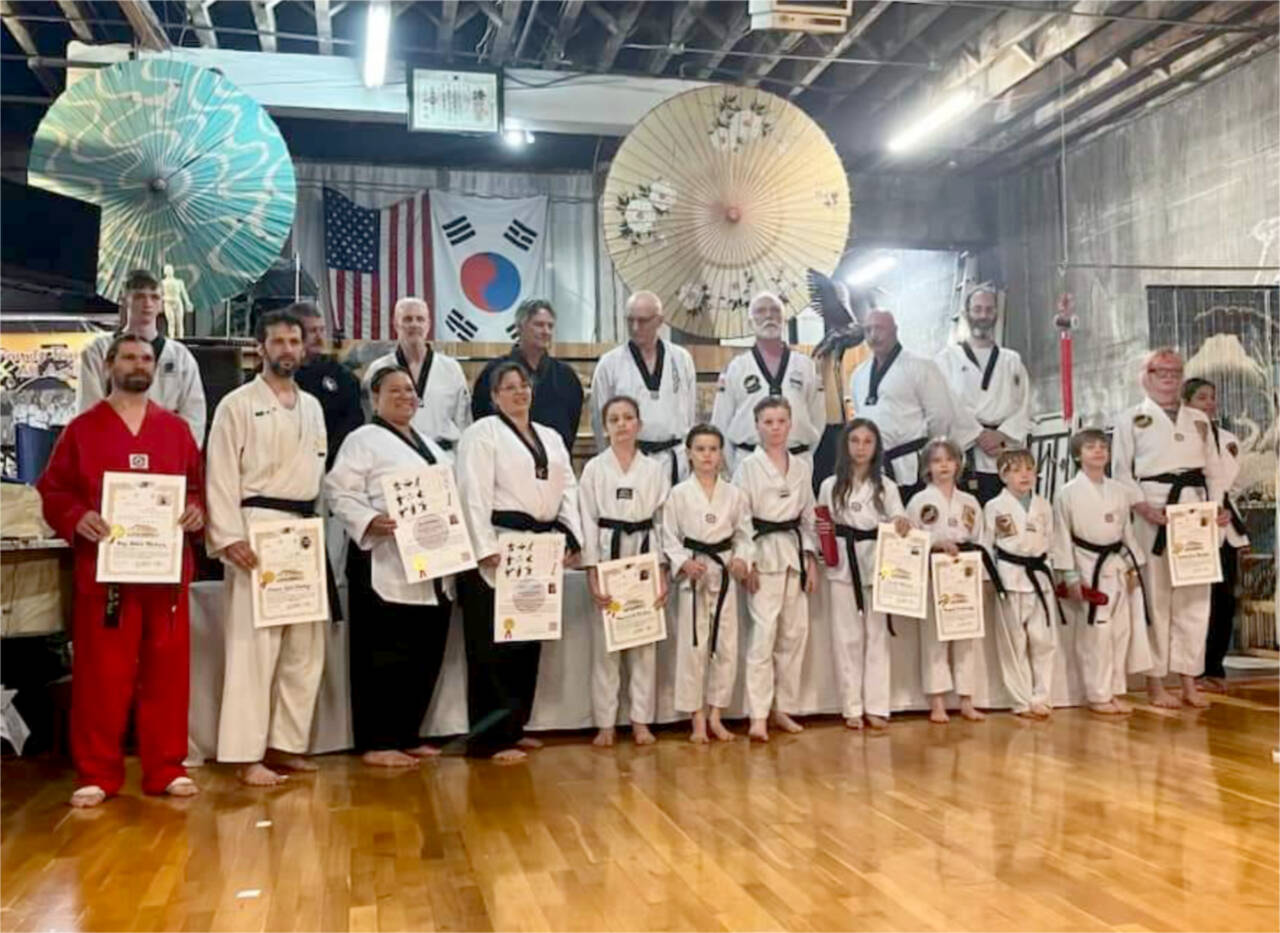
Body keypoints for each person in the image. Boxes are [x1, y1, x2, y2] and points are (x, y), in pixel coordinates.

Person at [37, 334, 205, 807]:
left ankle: (166, 767)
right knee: (101, 674)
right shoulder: (82, 429)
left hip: (165, 570)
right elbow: (53, 491)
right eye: (129, 357)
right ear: (110, 365)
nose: (139, 364)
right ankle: (96, 771)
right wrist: (76, 518)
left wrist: (195, 510)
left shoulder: (175, 430)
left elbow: (196, 487)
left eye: (147, 358)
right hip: (106, 571)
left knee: (168, 674)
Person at [205, 310, 329, 785]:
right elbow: (219, 471)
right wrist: (228, 536)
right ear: (260, 348)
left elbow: (316, 477)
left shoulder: (313, 407)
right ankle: (243, 753)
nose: (286, 349)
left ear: (303, 348)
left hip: (300, 531)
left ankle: (286, 744)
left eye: (293, 341)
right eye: (276, 341)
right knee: (254, 647)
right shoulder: (237, 404)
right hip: (255, 527)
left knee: (304, 646)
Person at [325, 367, 454, 767]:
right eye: (394, 390)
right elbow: (337, 489)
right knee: (382, 653)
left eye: (410, 390)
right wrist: (369, 521)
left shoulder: (433, 446)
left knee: (423, 650)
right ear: (374, 396)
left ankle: (407, 732)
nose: (405, 396)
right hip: (383, 556)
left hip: (431, 560)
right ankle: (378, 741)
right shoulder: (362, 440)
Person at [456, 362, 582, 762]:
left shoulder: (551, 437)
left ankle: (514, 726)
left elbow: (569, 489)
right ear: (493, 397)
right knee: (493, 646)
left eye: (523, 385)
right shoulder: (482, 434)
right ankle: (488, 739)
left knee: (527, 640)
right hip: (501, 543)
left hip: (541, 546)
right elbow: (471, 491)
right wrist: (482, 544)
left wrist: (571, 536)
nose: (518, 392)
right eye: (508, 387)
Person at [1111, 348, 1228, 709]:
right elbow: (1121, 472)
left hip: (1195, 506)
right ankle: (1156, 683)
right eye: (1161, 372)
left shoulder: (1198, 420)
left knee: (1195, 598)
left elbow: (1214, 469)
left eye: (1176, 372)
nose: (1169, 378)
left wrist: (1217, 506)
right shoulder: (1131, 419)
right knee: (1157, 598)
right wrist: (1141, 505)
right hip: (1155, 508)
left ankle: (1190, 681)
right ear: (1145, 376)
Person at [579, 395, 669, 747]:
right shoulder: (595, 469)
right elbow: (586, 519)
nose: (621, 424)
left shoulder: (654, 469)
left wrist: (662, 568)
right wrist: (591, 569)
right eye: (614, 419)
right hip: (608, 556)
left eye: (628, 417)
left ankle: (641, 721)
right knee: (606, 646)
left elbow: (664, 521)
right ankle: (605, 723)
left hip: (644, 555)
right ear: (605, 427)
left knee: (644, 641)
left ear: (639, 425)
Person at [816, 418, 910, 731]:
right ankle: (851, 707)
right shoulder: (830, 485)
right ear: (845, 446)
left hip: (879, 564)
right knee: (847, 639)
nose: (860, 448)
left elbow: (900, 521)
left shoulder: (887, 487)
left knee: (877, 637)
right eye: (854, 441)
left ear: (876, 447)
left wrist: (901, 524)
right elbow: (822, 527)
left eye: (867, 441)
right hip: (843, 565)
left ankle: (877, 706)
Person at [660, 424, 753, 743]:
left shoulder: (734, 494)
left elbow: (744, 535)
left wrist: (742, 559)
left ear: (721, 454)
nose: (707, 455)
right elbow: (668, 537)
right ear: (689, 454)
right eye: (700, 449)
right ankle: (695, 717)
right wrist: (683, 562)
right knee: (693, 647)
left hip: (724, 573)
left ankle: (716, 714)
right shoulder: (678, 494)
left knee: (726, 646)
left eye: (713, 449)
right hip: (694, 576)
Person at [733, 397, 818, 742]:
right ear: (757, 426)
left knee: (793, 634)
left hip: (794, 552)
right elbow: (739, 519)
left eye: (781, 421)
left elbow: (809, 516)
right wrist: (746, 559)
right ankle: (757, 714)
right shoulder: (747, 468)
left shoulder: (801, 467)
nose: (775, 428)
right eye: (768, 422)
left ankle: (783, 706)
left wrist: (811, 558)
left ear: (790, 423)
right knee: (764, 635)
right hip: (763, 552)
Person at [1052, 429, 1150, 715]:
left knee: (1121, 631)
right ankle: (1097, 694)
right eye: (1090, 447)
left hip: (1117, 563)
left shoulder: (1119, 491)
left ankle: (1115, 690)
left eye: (1103, 447)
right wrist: (1069, 575)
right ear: (1077, 455)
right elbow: (1061, 536)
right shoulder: (1067, 493)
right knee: (1096, 633)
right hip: (1086, 564)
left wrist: (1134, 567)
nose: (1098, 451)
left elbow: (1127, 532)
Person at [848, 310, 976, 503]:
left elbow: (941, 416)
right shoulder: (859, 374)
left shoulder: (921, 366)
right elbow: (860, 420)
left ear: (895, 330)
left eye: (880, 328)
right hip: (875, 468)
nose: (873, 335)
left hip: (910, 466)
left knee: (915, 526)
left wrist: (929, 456)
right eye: (868, 330)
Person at [907, 437, 992, 724]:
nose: (943, 465)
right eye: (936, 460)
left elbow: (982, 539)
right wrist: (935, 542)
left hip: (965, 570)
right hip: (935, 571)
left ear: (958, 464)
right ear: (927, 468)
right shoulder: (919, 501)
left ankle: (967, 699)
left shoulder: (969, 502)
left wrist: (981, 575)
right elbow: (910, 539)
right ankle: (938, 702)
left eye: (948, 459)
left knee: (966, 636)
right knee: (935, 638)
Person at [77, 269, 207, 446]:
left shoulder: (180, 356)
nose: (147, 304)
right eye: (139, 297)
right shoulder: (97, 351)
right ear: (124, 300)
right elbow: (89, 412)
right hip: (113, 449)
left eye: (154, 297)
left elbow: (194, 417)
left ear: (162, 304)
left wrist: (179, 456)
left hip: (167, 453)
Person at [1181, 377, 1250, 692]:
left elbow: (1231, 487)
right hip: (1192, 524)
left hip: (1225, 527)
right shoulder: (1178, 440)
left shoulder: (1228, 439)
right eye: (1201, 398)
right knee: (1196, 602)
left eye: (1212, 397)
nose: (1209, 403)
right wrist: (1206, 510)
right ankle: (1189, 670)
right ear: (1186, 403)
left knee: (1224, 600)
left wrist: (1229, 518)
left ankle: (1214, 667)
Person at [935, 284, 1031, 504]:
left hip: (1004, 449)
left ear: (996, 313)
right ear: (967, 313)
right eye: (977, 309)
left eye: (989, 310)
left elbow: (1024, 405)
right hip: (966, 452)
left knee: (1008, 523)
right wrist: (977, 434)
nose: (983, 315)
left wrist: (1001, 434)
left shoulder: (1011, 359)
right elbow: (942, 406)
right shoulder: (946, 359)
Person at [591, 291, 697, 486]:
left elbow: (689, 413)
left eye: (643, 320)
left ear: (660, 321)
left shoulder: (681, 358)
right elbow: (600, 420)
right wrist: (610, 462)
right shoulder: (609, 363)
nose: (635, 327)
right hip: (629, 458)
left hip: (673, 458)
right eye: (630, 320)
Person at [711, 291, 824, 473]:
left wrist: (804, 455)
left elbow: (818, 419)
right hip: (748, 459)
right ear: (750, 322)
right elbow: (721, 422)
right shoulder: (736, 367)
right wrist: (735, 469)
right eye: (761, 311)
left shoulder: (805, 366)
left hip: (797, 460)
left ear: (784, 319)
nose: (769, 316)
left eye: (775, 310)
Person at [985, 447, 1056, 719]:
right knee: (1013, 642)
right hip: (1009, 576)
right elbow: (985, 545)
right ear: (1003, 477)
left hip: (1039, 576)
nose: (1024, 474)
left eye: (1028, 468)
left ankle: (1043, 696)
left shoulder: (1043, 504)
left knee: (1043, 641)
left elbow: (1052, 541)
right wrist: (988, 579)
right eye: (1015, 470)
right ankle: (1021, 699)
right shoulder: (994, 506)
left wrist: (1056, 572)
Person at [472, 298, 584, 455]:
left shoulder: (566, 377)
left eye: (550, 326)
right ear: (520, 328)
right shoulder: (494, 373)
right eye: (538, 325)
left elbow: (571, 425)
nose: (546, 331)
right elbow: (481, 419)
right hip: (505, 461)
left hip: (553, 462)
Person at [363, 297, 471, 455]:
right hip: (394, 454)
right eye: (407, 319)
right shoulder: (378, 369)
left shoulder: (451, 368)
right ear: (396, 324)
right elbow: (369, 419)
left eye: (420, 319)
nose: (414, 324)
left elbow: (464, 422)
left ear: (428, 324)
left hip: (443, 456)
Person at [294, 301, 364, 469]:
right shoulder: (277, 374)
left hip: (332, 464)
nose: (319, 337)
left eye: (322, 330)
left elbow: (353, 421)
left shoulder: (342, 376)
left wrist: (326, 456)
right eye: (312, 331)